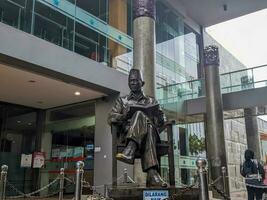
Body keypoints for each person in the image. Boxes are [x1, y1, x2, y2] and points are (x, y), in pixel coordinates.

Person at [108, 69, 167, 187]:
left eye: (136, 80)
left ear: (142, 83)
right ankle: (152, 173)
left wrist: (159, 118)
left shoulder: (152, 100)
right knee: (142, 117)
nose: (133, 83)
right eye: (131, 81)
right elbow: (111, 117)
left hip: (148, 135)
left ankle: (130, 149)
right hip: (127, 133)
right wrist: (124, 115)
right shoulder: (122, 100)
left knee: (147, 124)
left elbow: (163, 120)